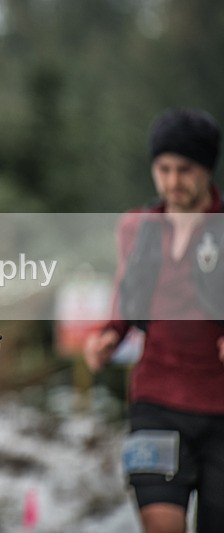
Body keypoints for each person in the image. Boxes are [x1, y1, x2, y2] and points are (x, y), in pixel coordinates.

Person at [84, 108, 224, 533]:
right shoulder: (137, 227)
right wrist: (109, 334)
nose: (173, 181)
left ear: (207, 170)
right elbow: (127, 296)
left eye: (185, 169)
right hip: (156, 402)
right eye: (163, 169)